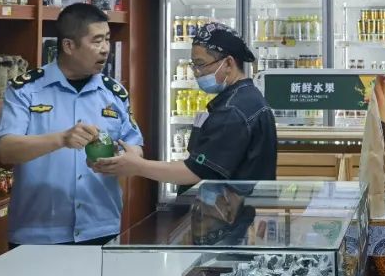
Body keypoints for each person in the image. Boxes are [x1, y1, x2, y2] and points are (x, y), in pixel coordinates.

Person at [0, 3, 143, 246]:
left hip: (101, 228)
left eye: (107, 40)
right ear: (69, 46)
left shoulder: (114, 93)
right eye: (96, 41)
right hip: (38, 235)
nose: (105, 49)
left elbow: (135, 148)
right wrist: (61, 139)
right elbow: (6, 150)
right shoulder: (26, 90)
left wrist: (123, 158)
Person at [92, 22, 277, 189]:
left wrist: (138, 166)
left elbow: (195, 172)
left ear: (228, 63)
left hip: (232, 210)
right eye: (193, 65)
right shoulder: (248, 98)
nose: (196, 72)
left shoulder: (233, 110)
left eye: (201, 64)